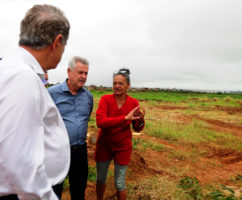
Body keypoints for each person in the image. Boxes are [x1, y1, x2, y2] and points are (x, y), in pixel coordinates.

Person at [0, 4, 70, 200]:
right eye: (64, 45)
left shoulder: (12, 69)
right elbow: (20, 165)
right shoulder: (21, 77)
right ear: (57, 42)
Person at [94, 68, 145, 200]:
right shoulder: (105, 99)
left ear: (128, 86)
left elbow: (137, 128)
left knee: (119, 182)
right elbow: (100, 122)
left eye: (120, 83)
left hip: (122, 147)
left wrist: (140, 120)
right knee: (100, 179)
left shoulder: (134, 103)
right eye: (114, 83)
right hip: (104, 146)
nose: (117, 86)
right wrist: (124, 119)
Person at [48, 56, 93, 200]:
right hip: (57, 152)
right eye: (80, 72)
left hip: (80, 152)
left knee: (79, 192)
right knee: (55, 191)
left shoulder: (88, 97)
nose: (84, 77)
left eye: (86, 73)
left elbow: (86, 118)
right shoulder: (52, 94)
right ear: (69, 71)